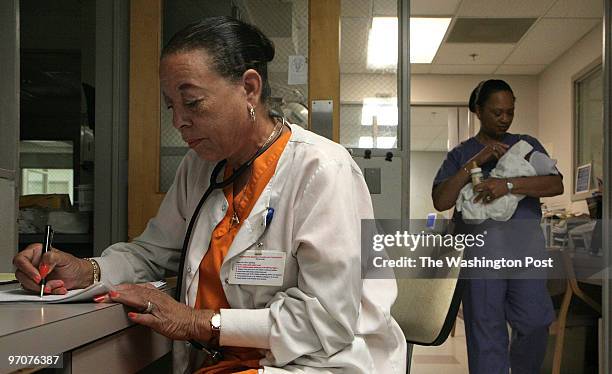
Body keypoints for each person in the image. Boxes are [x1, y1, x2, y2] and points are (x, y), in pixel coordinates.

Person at [12, 17, 406, 374]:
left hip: (317, 363)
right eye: (171, 106)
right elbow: (151, 252)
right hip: (224, 363)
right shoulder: (202, 166)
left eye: (192, 102)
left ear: (249, 88)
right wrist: (88, 270)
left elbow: (326, 322)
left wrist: (197, 321)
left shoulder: (323, 169)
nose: (178, 121)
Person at [432, 79, 563, 374]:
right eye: (497, 112)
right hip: (481, 258)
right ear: (478, 111)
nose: (504, 119)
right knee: (485, 333)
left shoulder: (526, 147)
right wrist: (474, 164)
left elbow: (555, 183)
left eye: (510, 112)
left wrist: (508, 184)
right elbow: (442, 200)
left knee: (535, 321)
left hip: (524, 254)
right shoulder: (460, 154)